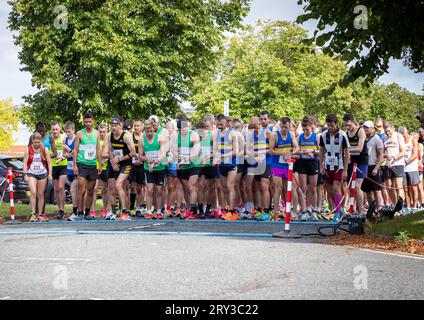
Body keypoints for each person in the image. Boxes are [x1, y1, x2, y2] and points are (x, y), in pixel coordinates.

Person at [318, 114, 350, 222]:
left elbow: (347, 153)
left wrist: (345, 170)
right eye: (328, 125)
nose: (330, 127)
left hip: (339, 166)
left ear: (336, 124)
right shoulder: (323, 135)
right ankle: (339, 209)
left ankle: (337, 212)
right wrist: (321, 165)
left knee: (337, 188)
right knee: (330, 190)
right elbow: (321, 150)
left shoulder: (342, 135)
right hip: (327, 166)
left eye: (331, 125)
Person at [103, 117, 136, 220]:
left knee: (119, 185)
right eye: (112, 126)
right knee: (111, 188)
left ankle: (125, 212)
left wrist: (120, 159)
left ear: (120, 126)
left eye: (116, 126)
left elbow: (133, 153)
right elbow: (109, 150)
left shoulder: (126, 136)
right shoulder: (109, 135)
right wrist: (113, 162)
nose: (114, 128)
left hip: (126, 163)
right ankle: (113, 212)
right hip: (113, 162)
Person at [73, 112, 103, 221]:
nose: (88, 124)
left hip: (92, 165)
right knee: (82, 189)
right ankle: (79, 213)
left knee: (91, 190)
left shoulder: (97, 134)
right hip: (82, 164)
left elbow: (98, 150)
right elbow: (75, 150)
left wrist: (99, 164)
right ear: (84, 122)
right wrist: (75, 164)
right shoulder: (79, 133)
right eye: (86, 122)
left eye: (90, 122)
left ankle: (87, 213)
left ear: (93, 121)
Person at [269, 117, 299, 219]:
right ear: (279, 126)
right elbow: (271, 150)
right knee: (278, 188)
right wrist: (283, 153)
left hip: (288, 165)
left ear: (289, 126)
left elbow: (297, 148)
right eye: (282, 127)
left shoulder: (291, 134)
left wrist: (290, 153)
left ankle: (293, 211)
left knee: (291, 188)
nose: (284, 129)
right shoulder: (275, 135)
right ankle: (276, 212)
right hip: (277, 165)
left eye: (286, 127)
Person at [173, 116, 201, 219]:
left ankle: (193, 210)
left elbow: (196, 150)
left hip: (194, 164)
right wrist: (179, 157)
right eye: (180, 130)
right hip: (183, 165)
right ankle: (189, 209)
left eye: (183, 129)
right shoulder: (176, 136)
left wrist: (188, 158)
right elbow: (174, 150)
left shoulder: (193, 135)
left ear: (187, 127)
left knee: (191, 186)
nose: (182, 131)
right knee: (185, 188)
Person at [139, 120, 168, 219]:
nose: (149, 133)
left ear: (153, 129)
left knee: (159, 190)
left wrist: (155, 162)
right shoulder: (141, 140)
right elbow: (140, 156)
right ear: (144, 130)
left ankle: (159, 211)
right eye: (147, 131)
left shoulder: (160, 138)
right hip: (148, 168)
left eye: (151, 130)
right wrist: (147, 159)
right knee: (149, 189)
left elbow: (163, 153)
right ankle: (148, 211)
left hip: (159, 167)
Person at [23, 132, 53, 222]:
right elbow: (25, 162)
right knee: (33, 192)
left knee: (41, 194)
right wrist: (25, 174)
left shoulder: (45, 150)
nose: (36, 144)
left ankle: (40, 214)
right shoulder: (28, 149)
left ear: (41, 141)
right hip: (31, 173)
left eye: (38, 142)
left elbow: (49, 163)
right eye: (35, 142)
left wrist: (50, 174)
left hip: (42, 173)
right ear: (32, 141)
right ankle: (33, 214)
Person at [343, 113, 369, 216]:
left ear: (354, 122)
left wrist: (348, 150)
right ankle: (352, 208)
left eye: (349, 125)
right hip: (351, 161)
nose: (347, 127)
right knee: (350, 186)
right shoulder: (347, 133)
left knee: (357, 186)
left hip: (362, 161)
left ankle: (361, 210)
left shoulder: (360, 131)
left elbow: (360, 148)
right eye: (345, 125)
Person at [215, 114, 239, 220]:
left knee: (230, 186)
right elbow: (216, 149)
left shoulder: (232, 133)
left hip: (231, 164)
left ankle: (232, 211)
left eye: (221, 124)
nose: (219, 126)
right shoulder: (217, 133)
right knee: (223, 187)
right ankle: (226, 208)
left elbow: (235, 151)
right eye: (218, 124)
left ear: (225, 122)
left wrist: (222, 156)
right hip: (222, 164)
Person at [297, 116, 320, 221]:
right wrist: (302, 152)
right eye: (304, 129)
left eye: (307, 129)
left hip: (313, 162)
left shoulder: (316, 137)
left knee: (313, 188)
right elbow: (296, 151)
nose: (306, 131)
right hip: (302, 163)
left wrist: (313, 152)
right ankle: (304, 211)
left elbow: (321, 151)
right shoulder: (300, 137)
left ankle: (314, 210)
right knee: (303, 188)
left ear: (312, 127)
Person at [361, 121, 385, 213]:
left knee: (376, 189)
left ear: (372, 128)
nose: (365, 129)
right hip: (364, 166)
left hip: (373, 166)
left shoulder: (376, 138)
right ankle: (371, 208)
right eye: (364, 127)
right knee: (367, 190)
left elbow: (381, 154)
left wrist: (376, 167)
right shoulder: (362, 138)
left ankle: (379, 208)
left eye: (367, 127)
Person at [196, 120, 217, 219]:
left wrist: (207, 157)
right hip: (200, 165)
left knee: (210, 187)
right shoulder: (196, 137)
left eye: (201, 132)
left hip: (210, 164)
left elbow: (216, 151)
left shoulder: (211, 135)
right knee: (200, 186)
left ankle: (208, 209)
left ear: (205, 129)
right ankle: (200, 209)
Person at [383, 121, 406, 206]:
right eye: (386, 131)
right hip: (388, 164)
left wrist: (394, 157)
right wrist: (386, 156)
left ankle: (401, 206)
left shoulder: (398, 136)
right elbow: (382, 152)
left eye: (389, 131)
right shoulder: (384, 138)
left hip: (398, 163)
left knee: (398, 185)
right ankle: (395, 205)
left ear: (393, 128)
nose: (387, 133)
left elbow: (403, 151)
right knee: (390, 186)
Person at [399, 127, 420, 213]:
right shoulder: (400, 140)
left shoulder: (413, 139)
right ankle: (408, 207)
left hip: (412, 167)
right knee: (405, 188)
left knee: (414, 188)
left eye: (404, 134)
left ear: (407, 132)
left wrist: (407, 161)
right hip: (403, 168)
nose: (404, 136)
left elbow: (415, 154)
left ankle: (414, 207)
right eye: (402, 135)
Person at [50, 121, 68, 220]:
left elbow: (68, 150)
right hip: (53, 165)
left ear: (60, 129)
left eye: (57, 129)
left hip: (63, 165)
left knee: (61, 187)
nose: (55, 131)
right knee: (56, 189)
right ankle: (60, 209)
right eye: (53, 129)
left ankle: (62, 209)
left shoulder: (64, 137)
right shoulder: (50, 138)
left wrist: (63, 156)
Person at [91, 123, 109, 218]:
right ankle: (92, 211)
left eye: (104, 132)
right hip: (96, 167)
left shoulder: (109, 141)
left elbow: (111, 154)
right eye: (100, 132)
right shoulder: (95, 141)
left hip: (106, 168)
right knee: (94, 189)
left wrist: (104, 159)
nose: (102, 134)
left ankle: (105, 209)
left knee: (105, 190)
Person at [62, 121, 79, 221]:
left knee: (73, 189)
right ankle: (80, 211)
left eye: (69, 131)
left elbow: (77, 153)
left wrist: (69, 151)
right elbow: (64, 154)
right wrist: (66, 155)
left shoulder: (77, 139)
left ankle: (75, 212)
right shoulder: (65, 139)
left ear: (73, 130)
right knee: (75, 191)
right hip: (69, 169)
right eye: (66, 132)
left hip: (77, 168)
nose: (68, 133)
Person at [129, 119, 146, 217]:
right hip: (131, 165)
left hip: (141, 165)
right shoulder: (130, 137)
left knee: (140, 188)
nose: (136, 127)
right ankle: (130, 208)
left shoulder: (144, 138)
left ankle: (138, 209)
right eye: (134, 126)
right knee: (130, 187)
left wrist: (141, 159)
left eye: (138, 126)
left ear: (142, 127)